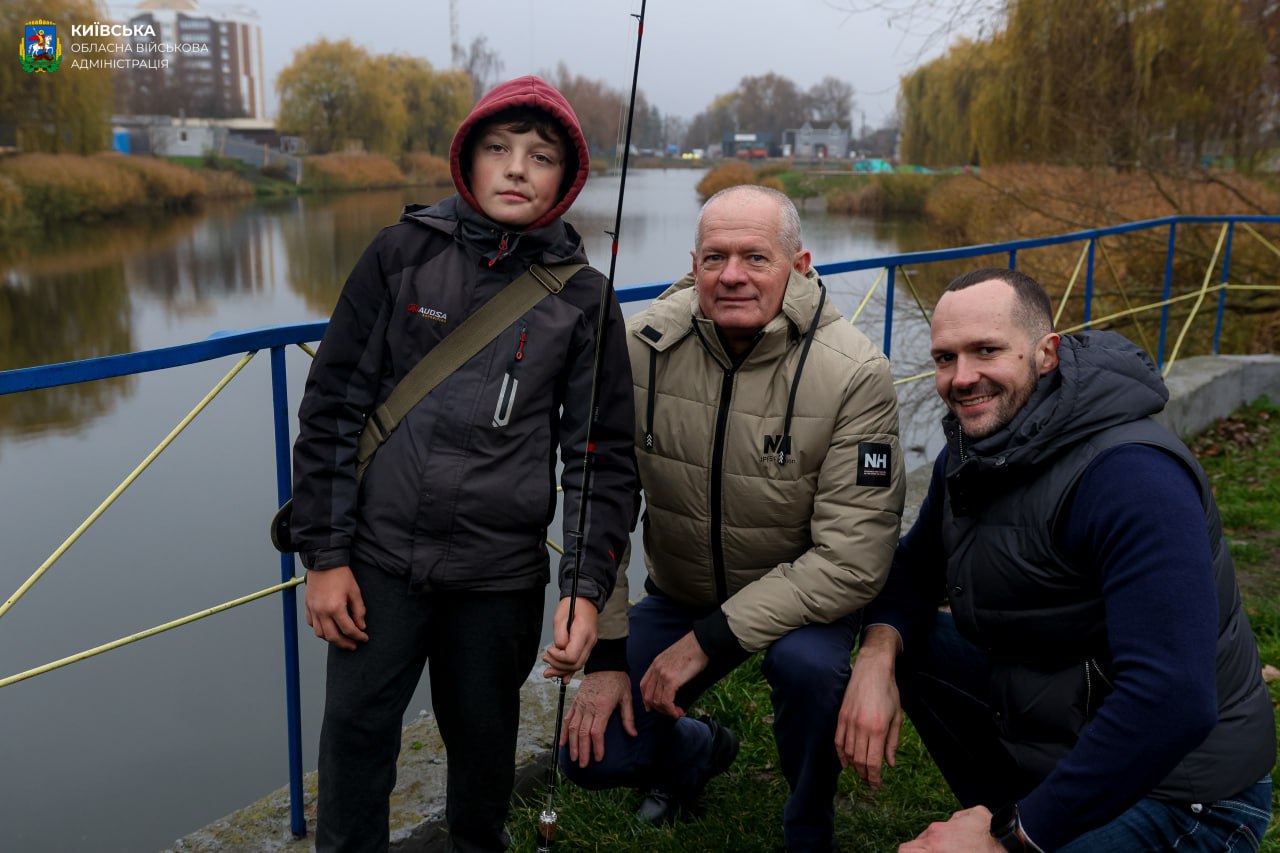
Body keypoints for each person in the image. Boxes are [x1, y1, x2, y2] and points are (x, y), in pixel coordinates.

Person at [289, 76, 636, 853]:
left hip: (498, 577)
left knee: (482, 757)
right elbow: (333, 409)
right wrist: (325, 556)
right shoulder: (398, 254)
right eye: (499, 149)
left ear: (565, 177)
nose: (517, 168)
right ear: (468, 162)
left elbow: (600, 461)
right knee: (353, 745)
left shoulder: (584, 301)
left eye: (540, 156)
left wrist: (583, 587)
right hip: (374, 563)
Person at [838, 268, 1275, 851]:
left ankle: (1019, 824)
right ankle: (1011, 804)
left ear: (1046, 353)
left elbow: (1172, 700)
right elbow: (915, 570)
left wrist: (1014, 840)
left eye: (986, 351)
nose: (961, 378)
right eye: (945, 358)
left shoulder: (1131, 475)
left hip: (1185, 790)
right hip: (1077, 718)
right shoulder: (975, 449)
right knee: (913, 640)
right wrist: (875, 657)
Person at [557, 185, 906, 853]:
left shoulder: (856, 371)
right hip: (684, 591)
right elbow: (601, 498)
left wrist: (706, 642)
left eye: (756, 256)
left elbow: (851, 560)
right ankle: (697, 750)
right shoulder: (642, 346)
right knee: (587, 755)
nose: (733, 276)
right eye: (714, 258)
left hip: (805, 607)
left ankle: (807, 819)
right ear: (693, 263)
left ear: (800, 264)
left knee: (807, 671)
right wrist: (605, 652)